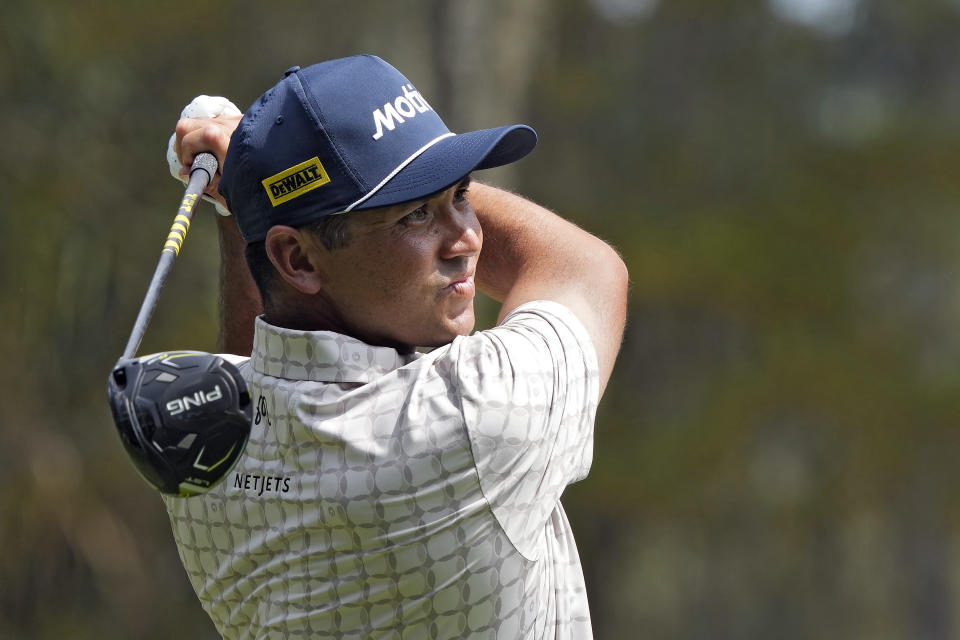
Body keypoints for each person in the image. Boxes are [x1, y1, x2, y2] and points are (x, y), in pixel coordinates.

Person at [167, 54, 627, 639]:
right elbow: (585, 267)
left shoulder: (194, 456)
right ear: (300, 259)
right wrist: (255, 196)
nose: (466, 238)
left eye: (461, 195)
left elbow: (256, 378)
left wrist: (246, 204)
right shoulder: (476, 418)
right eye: (415, 213)